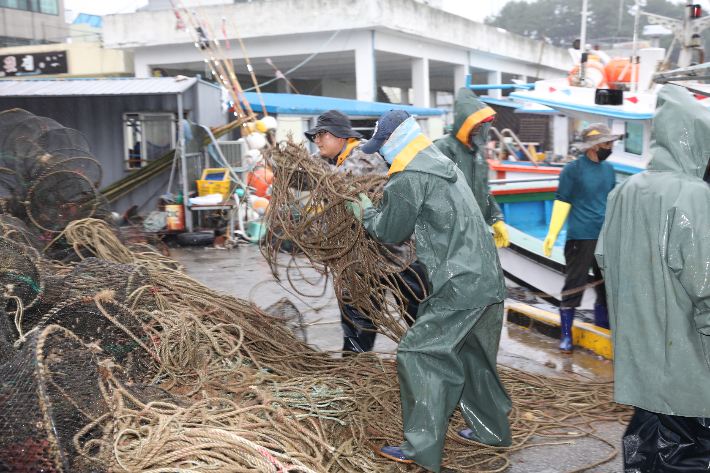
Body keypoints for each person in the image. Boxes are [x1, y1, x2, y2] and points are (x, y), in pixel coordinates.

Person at [346, 110, 512, 472]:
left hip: (459, 282)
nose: (381, 155)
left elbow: (389, 231)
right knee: (474, 356)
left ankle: (421, 448)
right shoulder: (440, 158)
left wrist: (363, 210)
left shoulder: (408, 176)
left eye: (383, 147)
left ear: (396, 141)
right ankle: (492, 431)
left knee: (419, 353)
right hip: (488, 278)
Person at [596, 84, 710, 472]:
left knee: (649, 449)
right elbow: (706, 286)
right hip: (689, 371)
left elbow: (604, 260)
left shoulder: (622, 191)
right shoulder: (694, 196)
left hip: (641, 367)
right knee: (689, 455)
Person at [304, 110, 427, 353]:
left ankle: (430, 369)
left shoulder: (362, 157)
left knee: (419, 319)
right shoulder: (334, 162)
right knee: (357, 325)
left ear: (340, 137)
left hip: (397, 254)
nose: (316, 141)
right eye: (314, 136)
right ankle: (355, 375)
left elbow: (339, 183)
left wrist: (309, 170)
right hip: (359, 262)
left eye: (321, 135)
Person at [542, 123, 619, 352]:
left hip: (604, 237)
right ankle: (566, 336)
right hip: (580, 237)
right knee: (574, 285)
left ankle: (603, 329)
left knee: (606, 287)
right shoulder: (572, 170)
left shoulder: (609, 170)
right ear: (594, 146)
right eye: (607, 143)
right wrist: (552, 234)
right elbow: (562, 200)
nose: (610, 146)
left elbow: (612, 203)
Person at [434, 87, 509, 248]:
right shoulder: (442, 147)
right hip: (450, 236)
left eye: (484, 122)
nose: (479, 126)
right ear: (463, 120)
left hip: (476, 232)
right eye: (475, 121)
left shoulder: (478, 152)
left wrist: (496, 219)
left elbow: (483, 190)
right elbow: (432, 193)